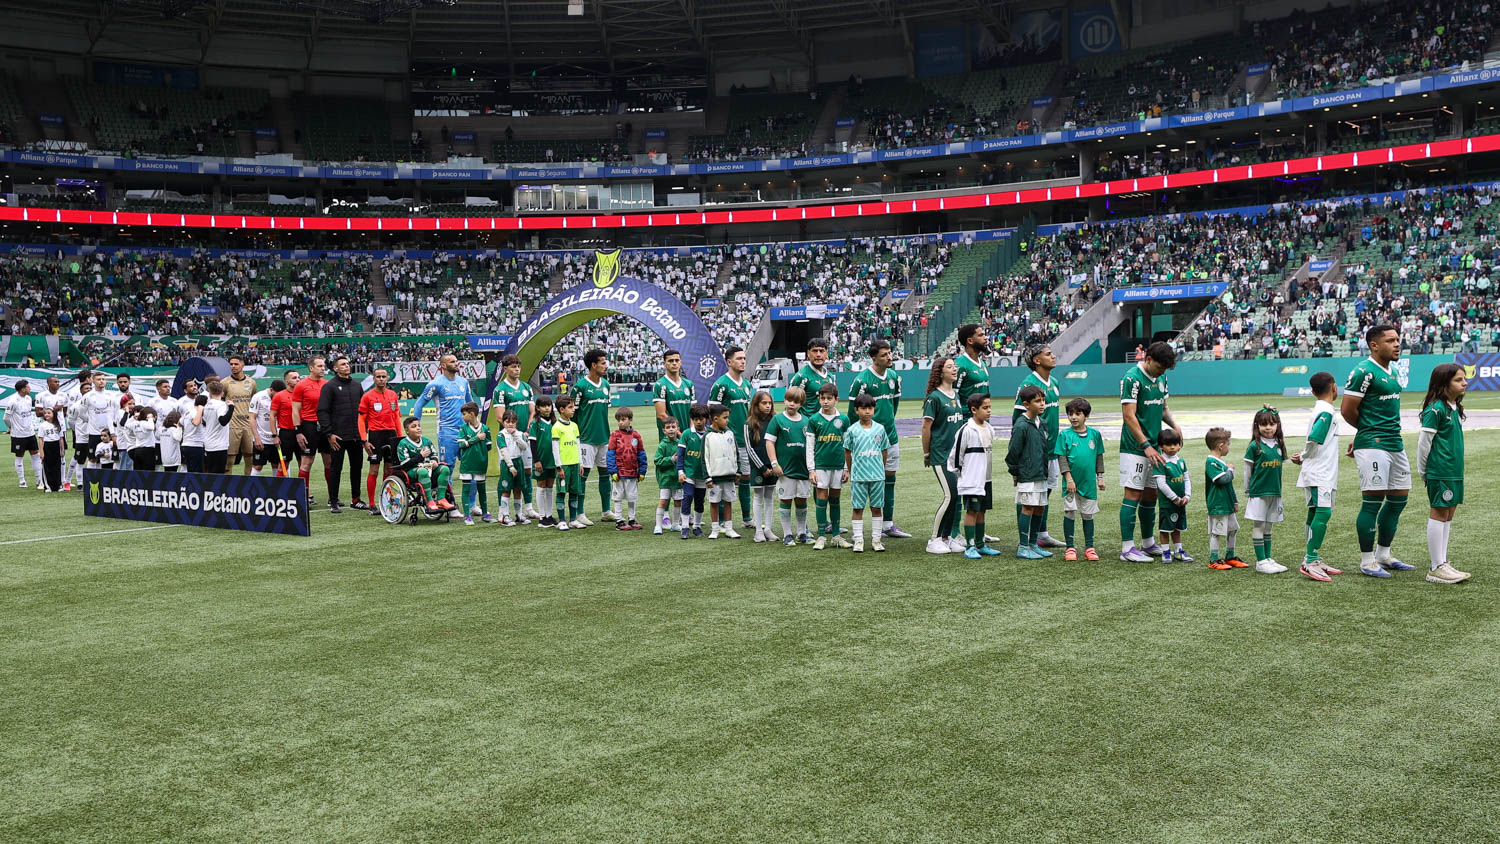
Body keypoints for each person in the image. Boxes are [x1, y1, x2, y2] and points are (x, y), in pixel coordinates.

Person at [1342, 324, 1417, 578]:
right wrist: (1366, 432)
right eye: (1390, 340)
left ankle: (1384, 555)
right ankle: (1367, 561)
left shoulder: (1393, 370)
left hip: (1395, 442)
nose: (1397, 344)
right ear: (1374, 345)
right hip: (1373, 445)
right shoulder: (1363, 371)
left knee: (1398, 500)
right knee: (1372, 502)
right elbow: (1347, 410)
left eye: (1398, 339)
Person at [1119, 341, 1180, 562]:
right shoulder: (1131, 378)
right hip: (1135, 447)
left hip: (1155, 447)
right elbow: (1129, 416)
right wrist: (1145, 445)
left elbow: (1163, 408)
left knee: (1151, 494)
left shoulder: (1162, 377)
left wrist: (1175, 425)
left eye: (1166, 368)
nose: (1163, 371)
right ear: (1149, 359)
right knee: (1133, 493)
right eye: (1160, 366)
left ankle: (1147, 543)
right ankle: (1127, 549)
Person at [848, 340, 910, 539]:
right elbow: (852, 412)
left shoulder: (893, 377)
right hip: (867, 440)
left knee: (889, 479)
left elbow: (895, 404)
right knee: (867, 481)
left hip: (890, 436)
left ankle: (887, 524)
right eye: (884, 355)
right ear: (874, 358)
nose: (889, 357)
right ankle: (865, 525)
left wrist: (887, 424)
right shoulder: (862, 380)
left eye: (890, 353)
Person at [1417, 363, 1471, 584]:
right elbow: (1424, 444)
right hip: (1440, 471)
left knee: (1448, 514)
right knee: (1439, 513)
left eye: (1464, 378)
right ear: (1444, 384)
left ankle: (1443, 562)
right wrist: (1424, 472)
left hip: (1454, 472)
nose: (1465, 383)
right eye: (1459, 380)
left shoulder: (1454, 408)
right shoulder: (1435, 409)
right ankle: (1435, 567)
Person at [1014, 345, 1066, 549]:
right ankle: (1025, 540)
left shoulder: (1054, 382)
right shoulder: (1028, 384)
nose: (1053, 356)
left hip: (1051, 449)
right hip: (1033, 452)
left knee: (1046, 492)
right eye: (1048, 354)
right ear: (1036, 360)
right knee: (1029, 495)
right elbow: (1017, 419)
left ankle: (1041, 534)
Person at [1292, 372, 1342, 581]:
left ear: (1313, 392)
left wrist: (1304, 457)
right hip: (1320, 472)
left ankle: (1312, 556)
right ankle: (1310, 560)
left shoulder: (1322, 409)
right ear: (1334, 387)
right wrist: (1304, 456)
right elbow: (1315, 438)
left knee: (1315, 513)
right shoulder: (1326, 411)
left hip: (1318, 471)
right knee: (1323, 513)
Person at [411, 353, 475, 502]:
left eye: (456, 361)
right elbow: (420, 403)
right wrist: (416, 424)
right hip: (447, 432)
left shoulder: (464, 382)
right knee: (448, 469)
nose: (456, 363)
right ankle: (450, 503)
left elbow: (471, 404)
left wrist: (475, 424)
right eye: (452, 361)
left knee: (470, 468)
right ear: (443, 365)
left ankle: (472, 504)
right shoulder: (436, 384)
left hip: (466, 432)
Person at [921, 357, 966, 555]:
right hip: (940, 454)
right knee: (950, 496)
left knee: (956, 498)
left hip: (955, 456)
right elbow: (926, 427)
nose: (954, 369)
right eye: (950, 367)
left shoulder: (955, 394)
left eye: (954, 366)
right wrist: (927, 453)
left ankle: (947, 538)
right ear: (940, 372)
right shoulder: (934, 397)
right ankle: (934, 539)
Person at [708, 346, 753, 531]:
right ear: (729, 362)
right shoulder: (721, 384)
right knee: (723, 478)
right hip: (726, 441)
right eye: (739, 358)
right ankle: (719, 520)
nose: (743, 361)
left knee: (746, 477)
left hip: (745, 439)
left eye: (744, 358)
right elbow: (712, 411)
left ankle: (747, 518)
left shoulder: (747, 384)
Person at [1056, 398, 1105, 561]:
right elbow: (1062, 458)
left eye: (1078, 414)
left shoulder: (1095, 435)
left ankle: (1089, 548)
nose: (1073, 417)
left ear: (1087, 415)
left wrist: (1100, 477)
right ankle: (1070, 548)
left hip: (1088, 483)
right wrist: (1069, 479)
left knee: (1088, 515)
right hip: (1071, 483)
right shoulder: (1064, 435)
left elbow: (1099, 457)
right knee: (1070, 512)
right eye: (1070, 414)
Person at [492, 354, 540, 520]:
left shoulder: (526, 387)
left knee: (526, 472)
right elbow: (500, 416)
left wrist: (526, 430)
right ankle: (502, 511)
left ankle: (528, 508)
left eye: (518, 366)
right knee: (506, 473)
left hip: (523, 436)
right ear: (505, 369)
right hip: (507, 438)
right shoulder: (500, 390)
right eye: (513, 367)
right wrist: (512, 431)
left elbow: (532, 411)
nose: (517, 369)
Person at [953, 393, 1000, 559]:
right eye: (985, 408)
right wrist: (963, 474)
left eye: (989, 407)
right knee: (972, 511)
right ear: (974, 410)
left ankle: (981, 544)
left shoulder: (989, 428)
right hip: (972, 479)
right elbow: (956, 455)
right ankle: (970, 546)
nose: (988, 411)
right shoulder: (966, 430)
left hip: (985, 479)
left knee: (982, 511)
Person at [806, 382, 852, 550]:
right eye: (822, 398)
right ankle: (821, 536)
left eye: (829, 398)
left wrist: (847, 468)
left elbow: (847, 446)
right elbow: (810, 447)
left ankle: (837, 535)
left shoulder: (844, 419)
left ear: (836, 400)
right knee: (821, 499)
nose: (825, 401)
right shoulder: (814, 420)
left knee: (835, 499)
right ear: (818, 399)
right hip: (821, 467)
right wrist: (811, 469)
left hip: (838, 466)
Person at [843, 393, 892, 553]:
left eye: (870, 408)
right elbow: (848, 452)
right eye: (863, 408)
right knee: (858, 508)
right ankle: (858, 540)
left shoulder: (880, 429)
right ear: (856, 410)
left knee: (877, 507)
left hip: (877, 476)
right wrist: (851, 471)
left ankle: (876, 540)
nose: (867, 411)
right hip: (859, 476)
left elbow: (884, 450)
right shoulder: (852, 430)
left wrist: (881, 469)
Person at [571, 349, 615, 524]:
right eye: (603, 363)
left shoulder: (606, 385)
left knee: (605, 474)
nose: (606, 366)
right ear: (593, 365)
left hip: (604, 436)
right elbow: (572, 415)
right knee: (583, 475)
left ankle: (606, 510)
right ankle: (580, 513)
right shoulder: (580, 387)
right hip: (585, 438)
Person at [317, 356, 365, 514]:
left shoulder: (357, 386)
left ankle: (356, 499)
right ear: (335, 369)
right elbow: (322, 411)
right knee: (335, 469)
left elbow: (363, 411)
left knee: (356, 468)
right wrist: (329, 433)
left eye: (347, 364)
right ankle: (333, 500)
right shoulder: (329, 386)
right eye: (342, 364)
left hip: (356, 436)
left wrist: (364, 432)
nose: (346, 366)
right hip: (337, 436)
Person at [1007, 385, 1051, 559]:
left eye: (1043, 400)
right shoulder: (1021, 425)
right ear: (1026, 404)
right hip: (1027, 474)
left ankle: (1033, 544)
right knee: (1028, 507)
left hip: (1041, 474)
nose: (1042, 404)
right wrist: (1016, 473)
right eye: (1037, 401)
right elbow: (1013, 452)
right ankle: (1023, 546)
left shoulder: (1043, 423)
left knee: (1040, 507)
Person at [766, 385, 812, 546]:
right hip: (785, 470)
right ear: (784, 400)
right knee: (785, 500)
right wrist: (774, 463)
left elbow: (812, 445)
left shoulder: (807, 421)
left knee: (802, 500)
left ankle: (801, 532)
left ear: (801, 403)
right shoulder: (777, 419)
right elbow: (769, 442)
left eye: (795, 401)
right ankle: (787, 534)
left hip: (803, 470)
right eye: (789, 400)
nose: (791, 404)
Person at [1244, 406, 1287, 573]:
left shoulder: (1280, 444)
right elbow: (1248, 470)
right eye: (1264, 424)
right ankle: (1260, 561)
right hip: (1259, 492)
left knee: (1269, 526)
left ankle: (1268, 558)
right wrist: (1248, 490)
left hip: (1274, 492)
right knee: (1259, 525)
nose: (1268, 427)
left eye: (1272, 424)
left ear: (1277, 425)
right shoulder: (1254, 446)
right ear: (1257, 426)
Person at [1203, 428, 1246, 570]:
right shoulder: (1212, 462)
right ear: (1221, 445)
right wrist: (1230, 470)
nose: (1229, 448)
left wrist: (1234, 501)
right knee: (1217, 532)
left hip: (1227, 504)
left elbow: (1229, 486)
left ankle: (1230, 556)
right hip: (1218, 505)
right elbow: (1222, 480)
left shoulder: (1221, 462)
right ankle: (1214, 560)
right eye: (1228, 444)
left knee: (1232, 529)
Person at [358, 368, 399, 512]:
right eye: (378, 376)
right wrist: (364, 440)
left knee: (389, 470)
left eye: (383, 376)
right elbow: (361, 420)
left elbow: (396, 417)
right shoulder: (367, 396)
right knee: (374, 470)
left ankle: (385, 500)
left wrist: (399, 437)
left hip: (391, 435)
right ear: (374, 379)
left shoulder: (393, 395)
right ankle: (371, 504)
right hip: (375, 436)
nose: (381, 379)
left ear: (387, 378)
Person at [395, 416, 453, 515]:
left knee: (445, 469)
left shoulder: (426, 441)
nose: (418, 428)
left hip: (429, 469)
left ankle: (441, 499)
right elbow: (404, 464)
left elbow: (434, 454)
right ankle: (429, 500)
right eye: (414, 426)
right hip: (412, 471)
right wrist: (420, 456)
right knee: (423, 471)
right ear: (407, 431)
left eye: (419, 426)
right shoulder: (403, 444)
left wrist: (434, 461)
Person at [291, 357, 330, 502]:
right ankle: (303, 497)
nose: (323, 368)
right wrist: (298, 431)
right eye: (319, 366)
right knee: (307, 461)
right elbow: (295, 410)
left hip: (325, 426)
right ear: (311, 368)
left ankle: (332, 497)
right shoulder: (301, 385)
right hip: (309, 426)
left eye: (324, 366)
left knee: (329, 462)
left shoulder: (327, 384)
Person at [1152, 429, 1193, 563]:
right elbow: (1161, 484)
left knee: (1177, 527)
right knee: (1165, 528)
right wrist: (1175, 498)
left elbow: (1186, 479)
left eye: (1175, 444)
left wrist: (1187, 495)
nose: (1172, 447)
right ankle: (1165, 552)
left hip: (1181, 502)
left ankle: (1178, 551)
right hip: (1168, 503)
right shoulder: (1160, 462)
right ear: (1161, 446)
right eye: (1168, 444)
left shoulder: (1181, 461)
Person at [702, 403, 741, 540]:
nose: (727, 420)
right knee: (714, 502)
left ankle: (729, 528)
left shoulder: (730, 433)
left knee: (728, 501)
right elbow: (704, 458)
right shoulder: (707, 436)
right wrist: (708, 477)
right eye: (725, 418)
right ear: (715, 419)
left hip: (729, 475)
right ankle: (715, 529)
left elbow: (736, 453)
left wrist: (738, 471)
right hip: (715, 477)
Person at [744, 390, 779, 542]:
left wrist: (774, 465)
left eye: (769, 403)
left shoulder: (775, 421)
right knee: (758, 497)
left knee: (769, 497)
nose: (767, 406)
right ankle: (758, 531)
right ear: (756, 405)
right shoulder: (749, 424)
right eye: (764, 403)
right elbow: (749, 448)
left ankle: (769, 529)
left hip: (772, 466)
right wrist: (762, 468)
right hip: (758, 468)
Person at [606, 407, 647, 530]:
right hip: (619, 473)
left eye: (623, 419)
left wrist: (642, 471)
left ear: (630, 420)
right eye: (618, 420)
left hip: (633, 472)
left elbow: (641, 454)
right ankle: (619, 520)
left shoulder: (636, 435)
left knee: (632, 497)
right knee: (618, 497)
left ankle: (632, 518)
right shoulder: (615, 435)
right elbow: (610, 454)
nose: (620, 422)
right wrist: (613, 471)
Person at [551, 394, 586, 530]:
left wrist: (581, 463)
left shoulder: (574, 426)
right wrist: (559, 467)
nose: (573, 410)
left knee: (574, 492)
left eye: (573, 407)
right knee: (561, 492)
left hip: (575, 464)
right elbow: (555, 449)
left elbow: (578, 445)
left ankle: (573, 519)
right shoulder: (556, 427)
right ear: (561, 410)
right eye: (570, 407)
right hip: (564, 465)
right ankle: (562, 521)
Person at [676, 403, 711, 539]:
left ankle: (697, 526)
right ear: (691, 419)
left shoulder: (709, 434)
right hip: (688, 473)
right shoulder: (686, 434)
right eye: (695, 419)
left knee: (699, 500)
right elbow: (681, 455)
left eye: (701, 419)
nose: (698, 422)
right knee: (688, 496)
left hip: (703, 475)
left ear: (706, 419)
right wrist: (680, 472)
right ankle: (685, 527)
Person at [457, 402, 494, 526]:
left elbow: (489, 446)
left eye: (464, 414)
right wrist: (476, 439)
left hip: (480, 463)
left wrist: (478, 450)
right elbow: (461, 444)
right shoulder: (463, 428)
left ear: (472, 414)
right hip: (467, 463)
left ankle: (485, 514)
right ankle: (467, 516)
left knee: (482, 489)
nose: (463, 416)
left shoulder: (485, 428)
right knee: (466, 488)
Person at [224, 354, 258, 476]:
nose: (233, 366)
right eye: (231, 364)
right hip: (232, 425)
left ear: (243, 365)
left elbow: (253, 401)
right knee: (230, 459)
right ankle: (227, 486)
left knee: (250, 456)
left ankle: (247, 484)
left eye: (236, 364)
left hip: (248, 425)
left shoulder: (251, 382)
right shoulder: (225, 383)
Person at [529, 396, 559, 528]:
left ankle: (549, 515)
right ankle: (542, 517)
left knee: (550, 486)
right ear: (538, 408)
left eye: (549, 405)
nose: (547, 408)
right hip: (541, 460)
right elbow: (533, 443)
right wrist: (536, 460)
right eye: (543, 405)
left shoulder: (554, 422)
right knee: (541, 485)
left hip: (552, 460)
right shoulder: (535, 423)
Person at [4, 379, 40, 489]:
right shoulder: (13, 401)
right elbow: (6, 418)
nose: (30, 389)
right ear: (23, 389)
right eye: (28, 387)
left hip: (30, 432)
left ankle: (39, 480)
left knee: (36, 454)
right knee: (19, 456)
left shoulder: (29, 398)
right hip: (18, 434)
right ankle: (22, 481)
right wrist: (11, 427)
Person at [652, 348, 695, 440]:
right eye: (671, 361)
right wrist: (679, 434)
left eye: (677, 360)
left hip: (688, 436)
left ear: (681, 362)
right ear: (664, 363)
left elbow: (693, 412)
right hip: (670, 438)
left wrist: (691, 431)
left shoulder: (689, 384)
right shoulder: (660, 385)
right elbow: (661, 415)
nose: (674, 363)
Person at [496, 409, 529, 525]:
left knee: (518, 489)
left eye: (513, 422)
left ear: (516, 422)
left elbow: (524, 447)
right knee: (506, 490)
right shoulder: (501, 435)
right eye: (507, 421)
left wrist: (516, 435)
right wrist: (510, 466)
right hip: (507, 464)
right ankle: (505, 516)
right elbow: (503, 451)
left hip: (519, 462)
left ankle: (519, 514)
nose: (510, 424)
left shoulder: (519, 434)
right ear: (503, 422)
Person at [653, 417, 684, 535]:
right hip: (665, 479)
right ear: (664, 431)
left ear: (677, 429)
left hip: (678, 479)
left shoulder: (681, 444)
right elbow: (657, 461)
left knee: (678, 502)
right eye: (668, 428)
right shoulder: (662, 445)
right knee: (663, 501)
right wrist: (671, 459)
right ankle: (658, 525)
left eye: (673, 427)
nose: (671, 430)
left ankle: (676, 523)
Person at [199, 379, 235, 474]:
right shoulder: (221, 405)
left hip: (208, 443)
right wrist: (231, 408)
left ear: (210, 392)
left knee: (211, 471)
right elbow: (223, 421)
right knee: (219, 473)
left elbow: (205, 421)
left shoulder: (207, 405)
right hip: (219, 444)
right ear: (222, 393)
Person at [272, 370, 303, 482]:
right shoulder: (280, 396)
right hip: (286, 433)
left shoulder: (303, 394)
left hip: (301, 432)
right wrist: (274, 435)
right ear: (287, 381)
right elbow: (272, 417)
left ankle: (305, 493)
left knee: (303, 464)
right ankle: (280, 492)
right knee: (283, 464)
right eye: (294, 378)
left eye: (298, 377)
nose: (298, 380)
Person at [248, 380, 281, 478]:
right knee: (257, 466)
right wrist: (256, 438)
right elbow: (252, 417)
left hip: (277, 439)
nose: (278, 398)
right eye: (276, 395)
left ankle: (276, 491)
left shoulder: (282, 397)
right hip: (262, 439)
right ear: (271, 390)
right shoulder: (258, 397)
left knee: (276, 465)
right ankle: (252, 491)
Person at [954, 323, 990, 411]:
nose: (985, 338)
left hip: (982, 421)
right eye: (981, 335)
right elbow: (952, 397)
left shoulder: (981, 362)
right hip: (967, 421)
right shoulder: (960, 365)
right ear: (970, 341)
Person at [127, 406, 158, 471]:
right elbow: (151, 427)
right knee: (149, 473)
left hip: (137, 450)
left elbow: (127, 425)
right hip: (148, 450)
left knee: (138, 473)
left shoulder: (135, 423)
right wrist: (150, 419)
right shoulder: (145, 423)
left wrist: (133, 417)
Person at [38, 407, 63, 491]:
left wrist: (62, 449)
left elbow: (61, 438)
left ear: (53, 414)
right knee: (48, 466)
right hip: (47, 446)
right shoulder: (42, 426)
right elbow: (41, 439)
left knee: (57, 466)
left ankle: (58, 485)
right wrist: (41, 452)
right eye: (45, 413)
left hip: (56, 445)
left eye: (49, 413)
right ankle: (48, 486)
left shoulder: (57, 424)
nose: (46, 414)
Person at [113, 394, 137, 471]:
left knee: (129, 464)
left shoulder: (129, 414)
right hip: (124, 444)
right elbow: (122, 423)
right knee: (124, 465)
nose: (132, 406)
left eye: (133, 404)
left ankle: (127, 481)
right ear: (123, 404)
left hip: (129, 443)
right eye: (129, 404)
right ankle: (122, 481)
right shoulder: (121, 412)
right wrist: (126, 412)